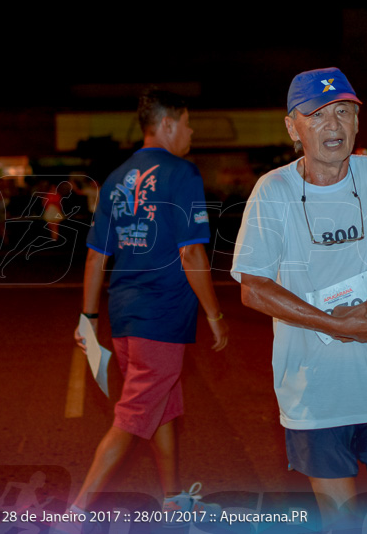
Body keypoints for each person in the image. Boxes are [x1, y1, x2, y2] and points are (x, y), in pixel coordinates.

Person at [231, 67, 367, 528]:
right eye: (318, 114)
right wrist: (333, 324)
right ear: (292, 127)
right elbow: (253, 288)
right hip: (315, 398)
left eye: (344, 111)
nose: (334, 125)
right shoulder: (273, 191)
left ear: (358, 122)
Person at [70, 89, 229, 520]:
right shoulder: (182, 173)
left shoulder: (116, 177)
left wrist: (88, 318)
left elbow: (95, 255)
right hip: (160, 317)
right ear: (168, 124)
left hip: (124, 316)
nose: (192, 131)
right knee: (132, 417)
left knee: (161, 409)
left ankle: (174, 501)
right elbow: (192, 253)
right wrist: (215, 314)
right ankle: (75, 515)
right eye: (188, 122)